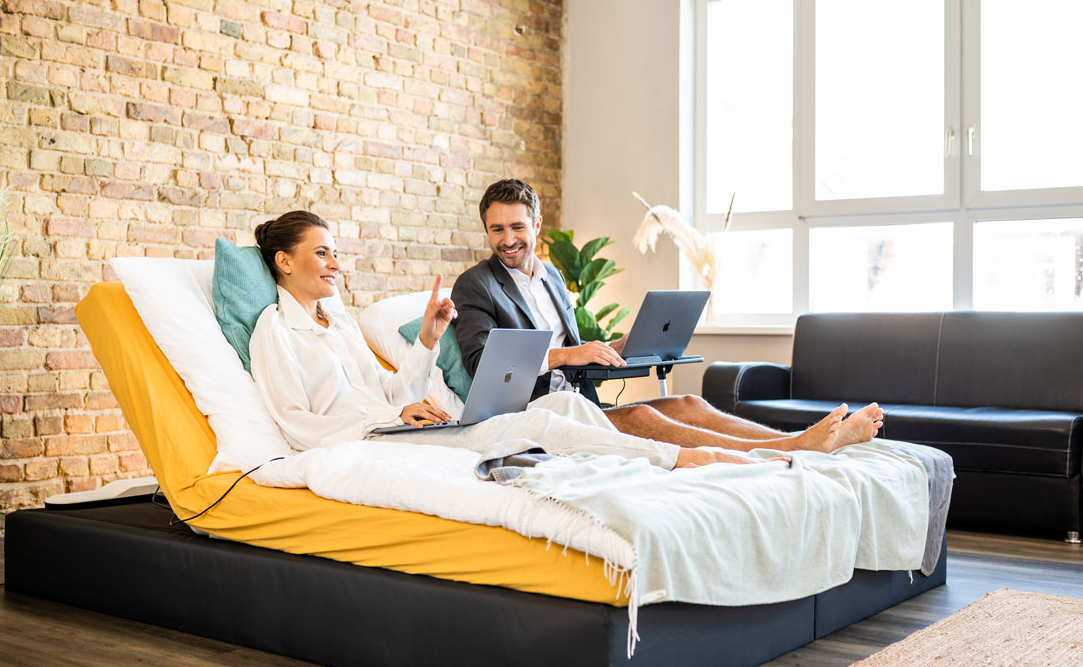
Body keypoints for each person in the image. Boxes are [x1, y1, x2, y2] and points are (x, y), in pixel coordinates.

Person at [247, 211, 781, 470]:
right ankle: (685, 461)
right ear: (284, 262)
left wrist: (430, 339)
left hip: (391, 427)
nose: (337, 264)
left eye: (336, 252)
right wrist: (381, 422)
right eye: (322, 254)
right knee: (543, 420)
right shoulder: (275, 330)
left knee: (569, 408)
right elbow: (298, 425)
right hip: (367, 441)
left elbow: (394, 396)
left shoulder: (338, 324)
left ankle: (702, 455)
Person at [451, 179, 883, 454]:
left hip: (578, 401)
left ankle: (791, 443)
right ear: (486, 230)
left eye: (517, 228)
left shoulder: (552, 278)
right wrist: (568, 356)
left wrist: (620, 347)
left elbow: (572, 350)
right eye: (497, 230)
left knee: (688, 403)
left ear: (537, 225)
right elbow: (481, 359)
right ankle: (791, 447)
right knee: (642, 418)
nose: (507, 240)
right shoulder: (476, 284)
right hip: (531, 413)